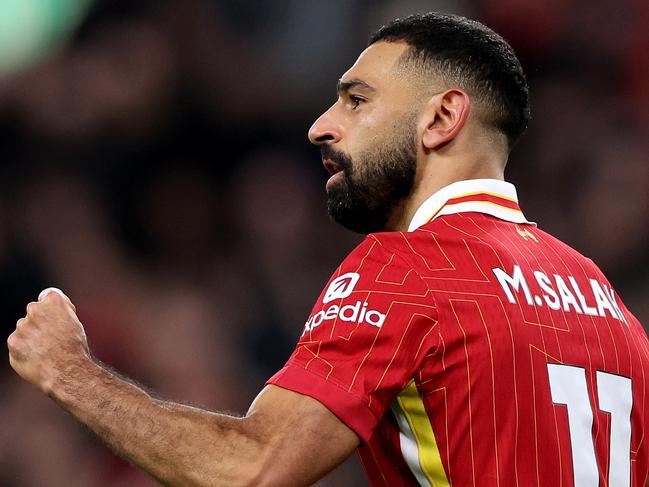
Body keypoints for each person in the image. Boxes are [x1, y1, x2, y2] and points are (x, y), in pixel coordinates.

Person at [7, 12, 649, 487]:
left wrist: (69, 371)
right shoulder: (608, 305)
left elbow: (254, 468)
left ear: (441, 118)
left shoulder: (409, 267)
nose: (322, 125)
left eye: (357, 100)